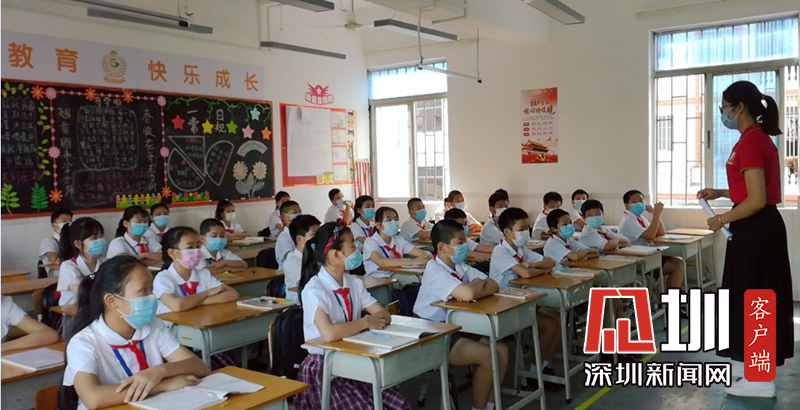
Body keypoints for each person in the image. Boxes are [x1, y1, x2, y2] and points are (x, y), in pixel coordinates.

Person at [698, 80, 793, 398]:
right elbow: (749, 190)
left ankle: (761, 379)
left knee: (757, 297)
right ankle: (753, 368)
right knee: (748, 295)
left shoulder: (752, 141)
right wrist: (720, 192)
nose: (722, 113)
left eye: (724, 107)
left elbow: (756, 200)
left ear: (739, 108)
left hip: (757, 229)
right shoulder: (752, 138)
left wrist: (720, 219)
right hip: (753, 227)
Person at [59, 256, 207, 410]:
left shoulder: (152, 326)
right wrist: (162, 385)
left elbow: (198, 366)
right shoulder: (84, 342)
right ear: (111, 301)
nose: (152, 296)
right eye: (143, 290)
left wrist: (159, 371)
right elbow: (93, 397)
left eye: (151, 289)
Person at [294, 222, 410, 410]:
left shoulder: (354, 283)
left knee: (399, 405)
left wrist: (376, 319)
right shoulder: (315, 289)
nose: (357, 250)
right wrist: (366, 322)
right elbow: (329, 334)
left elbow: (383, 315)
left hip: (354, 357)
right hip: (325, 368)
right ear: (335, 255)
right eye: (352, 246)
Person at [413, 219, 507, 410]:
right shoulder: (435, 271)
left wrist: (473, 288)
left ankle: (490, 405)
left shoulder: (459, 266)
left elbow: (493, 284)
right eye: (460, 242)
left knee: (502, 351)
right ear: (443, 247)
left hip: (456, 326)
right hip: (432, 333)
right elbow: (469, 294)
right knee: (488, 357)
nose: (465, 247)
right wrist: (475, 286)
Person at [154, 228, 239, 370]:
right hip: (175, 337)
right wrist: (207, 293)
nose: (196, 251)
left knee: (226, 360)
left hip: (202, 327)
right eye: (189, 248)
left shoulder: (202, 274)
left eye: (198, 247)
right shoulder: (164, 278)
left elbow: (232, 294)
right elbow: (177, 306)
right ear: (172, 253)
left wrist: (196, 303)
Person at [618, 190, 684, 290]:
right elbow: (649, 235)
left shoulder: (641, 218)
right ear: (626, 205)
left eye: (641, 201)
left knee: (678, 261)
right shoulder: (628, 221)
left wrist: (654, 213)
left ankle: (671, 296)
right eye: (634, 201)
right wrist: (656, 215)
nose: (638, 203)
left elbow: (661, 232)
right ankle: (671, 298)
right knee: (676, 266)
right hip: (636, 259)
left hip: (648, 255)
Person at [489, 208, 556, 288]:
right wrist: (543, 271)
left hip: (518, 290)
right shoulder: (500, 251)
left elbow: (551, 262)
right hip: (503, 292)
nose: (526, 232)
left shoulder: (521, 249)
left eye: (527, 228)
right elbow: (526, 273)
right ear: (507, 232)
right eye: (521, 230)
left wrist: (531, 265)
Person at [364, 207, 432, 278]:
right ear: (378, 225)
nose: (393, 222)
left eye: (396, 219)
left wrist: (427, 255)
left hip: (397, 274)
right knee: (414, 279)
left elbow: (420, 253)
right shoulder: (370, 242)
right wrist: (412, 262)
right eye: (389, 220)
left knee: (423, 276)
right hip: (378, 278)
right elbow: (381, 262)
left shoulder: (399, 239)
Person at [57, 217, 107, 306]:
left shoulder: (105, 262)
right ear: (78, 244)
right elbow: (83, 294)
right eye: (94, 238)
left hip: (99, 308)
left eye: (101, 236)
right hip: (74, 312)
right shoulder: (68, 267)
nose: (100, 241)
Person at [285, 215, 321, 301]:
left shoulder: (318, 256)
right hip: (298, 306)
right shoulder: (292, 261)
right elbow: (310, 284)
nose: (319, 239)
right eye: (314, 235)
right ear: (299, 239)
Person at [39, 208, 73, 273]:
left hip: (72, 269)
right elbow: (55, 261)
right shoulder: (48, 242)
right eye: (64, 221)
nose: (68, 224)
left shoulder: (74, 239)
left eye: (70, 221)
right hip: (56, 272)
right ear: (53, 226)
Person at [275, 200, 302, 268]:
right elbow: (290, 258)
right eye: (295, 213)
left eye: (300, 212)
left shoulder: (301, 233)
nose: (298, 215)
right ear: (283, 216)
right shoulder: (283, 237)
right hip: (288, 271)